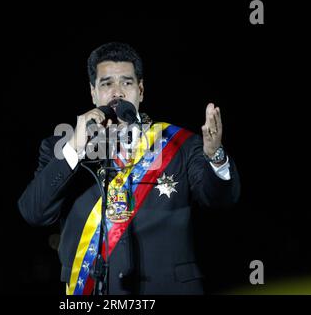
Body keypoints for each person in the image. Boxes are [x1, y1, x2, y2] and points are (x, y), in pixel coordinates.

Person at [18, 42, 240, 295]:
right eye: (106, 84)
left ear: (141, 90)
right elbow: (33, 212)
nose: (117, 93)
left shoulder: (181, 144)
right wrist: (74, 148)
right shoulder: (60, 148)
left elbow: (220, 200)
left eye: (126, 82)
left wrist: (216, 156)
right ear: (93, 93)